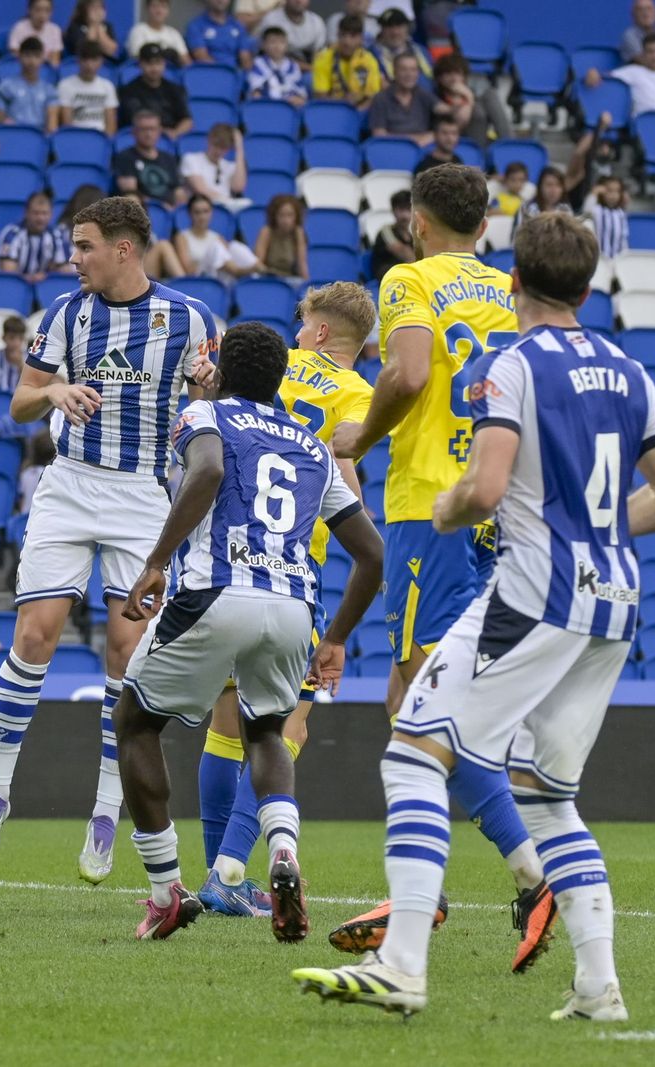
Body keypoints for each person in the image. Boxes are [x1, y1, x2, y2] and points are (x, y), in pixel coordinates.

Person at [293, 212, 655, 1022]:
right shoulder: (629, 367)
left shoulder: (512, 364)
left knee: (414, 747)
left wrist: (447, 507)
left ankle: (402, 965)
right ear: (588, 288)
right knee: (549, 797)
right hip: (614, 601)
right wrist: (600, 528)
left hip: (534, 588)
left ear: (514, 283)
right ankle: (598, 990)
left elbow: (483, 487)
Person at [328, 164, 553, 969]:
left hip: (432, 506)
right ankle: (422, 881)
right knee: (412, 693)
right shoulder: (513, 291)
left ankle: (525, 874)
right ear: (485, 225)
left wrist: (364, 435)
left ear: (415, 222)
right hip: (501, 505)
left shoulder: (409, 279)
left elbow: (411, 372)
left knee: (424, 699)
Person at [0, 195, 219, 885]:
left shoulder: (191, 318)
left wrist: (209, 386)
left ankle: (106, 813)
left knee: (125, 650)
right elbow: (20, 400)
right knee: (34, 635)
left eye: (84, 246)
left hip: (140, 496)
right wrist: (53, 394)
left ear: (124, 249)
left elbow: (213, 403)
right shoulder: (66, 313)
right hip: (69, 485)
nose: (73, 258)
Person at [113, 320, 382, 940]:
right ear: (281, 378)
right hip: (292, 607)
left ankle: (165, 893)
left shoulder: (205, 415)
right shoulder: (315, 448)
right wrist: (336, 636)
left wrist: (156, 562)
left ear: (224, 371)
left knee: (135, 722)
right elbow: (371, 554)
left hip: (215, 590)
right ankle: (281, 849)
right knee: (266, 732)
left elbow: (206, 473)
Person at [194, 285, 376, 918]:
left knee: (222, 726)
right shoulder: (359, 399)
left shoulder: (270, 370)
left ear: (321, 333)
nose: (298, 334)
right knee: (283, 727)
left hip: (221, 561)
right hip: (296, 571)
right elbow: (344, 484)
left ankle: (220, 877)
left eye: (304, 325)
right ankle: (230, 871)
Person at [585, 32, 655, 119]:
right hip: (644, 124)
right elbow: (604, 77)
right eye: (650, 52)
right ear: (643, 54)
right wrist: (593, 73)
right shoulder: (633, 72)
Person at [432, 52, 510, 149]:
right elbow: (457, 126)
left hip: (481, 149)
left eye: (457, 73)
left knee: (490, 95)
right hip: (452, 151)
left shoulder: (481, 97)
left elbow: (503, 128)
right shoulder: (434, 99)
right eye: (448, 73)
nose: (453, 78)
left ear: (464, 76)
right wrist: (468, 98)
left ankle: (509, 149)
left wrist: (468, 95)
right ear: (439, 78)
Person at [173, 195, 258, 281]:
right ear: (190, 214)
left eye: (206, 212)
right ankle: (240, 271)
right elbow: (188, 269)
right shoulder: (182, 237)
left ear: (211, 213)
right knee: (216, 248)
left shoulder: (217, 237)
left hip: (220, 277)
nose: (202, 217)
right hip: (199, 277)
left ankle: (257, 270)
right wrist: (207, 260)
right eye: (197, 212)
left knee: (235, 246)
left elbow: (227, 259)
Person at [114, 109, 187, 208]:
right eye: (144, 129)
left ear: (160, 131)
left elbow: (178, 191)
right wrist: (160, 207)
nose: (148, 134)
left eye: (152, 129)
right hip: (143, 211)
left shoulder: (169, 158)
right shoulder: (125, 157)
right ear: (134, 132)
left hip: (169, 211)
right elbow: (130, 193)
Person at [118, 43, 192, 138]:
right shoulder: (129, 91)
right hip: (140, 138)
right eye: (149, 63)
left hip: (169, 139)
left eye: (158, 62)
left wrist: (175, 133)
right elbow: (135, 120)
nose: (154, 68)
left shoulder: (175, 89)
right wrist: (157, 132)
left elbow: (187, 120)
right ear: (140, 64)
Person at [367, 52, 440, 146]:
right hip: (393, 150)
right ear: (394, 72)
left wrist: (464, 94)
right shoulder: (381, 98)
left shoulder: (423, 95)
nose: (409, 74)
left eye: (413, 70)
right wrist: (415, 140)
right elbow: (379, 136)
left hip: (423, 151)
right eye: (403, 69)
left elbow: (449, 114)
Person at [0, 192, 71, 281]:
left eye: (44, 213)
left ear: (51, 214)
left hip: (43, 288)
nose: (40, 218)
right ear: (26, 213)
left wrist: (46, 276)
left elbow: (65, 271)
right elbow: (8, 273)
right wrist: (32, 279)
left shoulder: (57, 235)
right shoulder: (12, 234)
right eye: (36, 213)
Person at [311, 14, 380, 111]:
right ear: (337, 35)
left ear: (361, 38)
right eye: (343, 35)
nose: (347, 42)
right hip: (332, 109)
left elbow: (373, 97)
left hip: (361, 111)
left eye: (353, 36)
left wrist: (355, 112)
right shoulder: (323, 58)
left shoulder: (369, 60)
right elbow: (321, 97)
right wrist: (343, 104)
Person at [181, 123, 250, 212]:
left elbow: (238, 187)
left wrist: (239, 148)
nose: (218, 151)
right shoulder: (191, 159)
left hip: (226, 209)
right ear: (209, 140)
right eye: (216, 145)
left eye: (224, 148)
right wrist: (226, 201)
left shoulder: (229, 166)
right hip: (202, 209)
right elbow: (201, 190)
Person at [53, 39, 118, 134]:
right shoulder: (65, 85)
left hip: (100, 139)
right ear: (78, 60)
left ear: (101, 62)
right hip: (75, 137)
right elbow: (67, 124)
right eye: (85, 60)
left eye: (94, 60)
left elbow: (111, 125)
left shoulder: (108, 86)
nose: (89, 65)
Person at [0, 35, 55, 131]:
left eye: (36, 56)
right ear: (19, 56)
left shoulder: (49, 90)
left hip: (39, 139)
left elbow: (52, 125)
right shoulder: (5, 87)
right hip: (13, 135)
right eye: (27, 55)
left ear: (42, 59)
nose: (32, 61)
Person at [253, 193, 308, 285]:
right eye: (281, 215)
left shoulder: (298, 233)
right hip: (268, 278)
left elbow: (302, 265)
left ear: (296, 217)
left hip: (290, 279)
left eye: (290, 215)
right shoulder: (266, 232)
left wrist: (308, 286)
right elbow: (258, 264)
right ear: (274, 216)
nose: (286, 220)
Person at [248, 25, 308, 105]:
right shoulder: (258, 63)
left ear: (287, 45)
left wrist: (298, 98)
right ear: (263, 45)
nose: (277, 46)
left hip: (290, 107)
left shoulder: (293, 66)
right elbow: (256, 92)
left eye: (282, 42)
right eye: (273, 42)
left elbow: (301, 92)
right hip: (267, 105)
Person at [185, 0, 250, 67]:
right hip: (209, 72)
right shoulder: (195, 25)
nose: (221, 1)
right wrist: (222, 73)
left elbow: (245, 58)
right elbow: (202, 57)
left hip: (234, 74)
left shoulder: (237, 26)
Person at [369, 188, 415, 282]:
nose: (405, 215)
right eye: (401, 209)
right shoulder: (385, 232)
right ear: (393, 210)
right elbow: (407, 255)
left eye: (408, 209)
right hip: (387, 277)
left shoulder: (412, 235)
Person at [263, 0, 325, 68]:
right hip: (278, 68)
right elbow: (266, 54)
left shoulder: (316, 21)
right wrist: (309, 68)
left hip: (310, 69)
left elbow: (320, 54)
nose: (299, 1)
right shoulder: (271, 20)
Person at [124, 0, 185, 68]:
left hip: (170, 75)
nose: (159, 11)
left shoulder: (174, 33)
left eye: (163, 7)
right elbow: (136, 58)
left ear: (168, 11)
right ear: (147, 8)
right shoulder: (138, 31)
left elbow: (186, 61)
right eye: (155, 6)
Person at [371, 7, 428, 80]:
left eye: (399, 26)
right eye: (389, 27)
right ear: (381, 30)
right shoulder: (372, 54)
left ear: (407, 28)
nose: (395, 32)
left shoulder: (421, 50)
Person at [64, 0, 119, 64]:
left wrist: (99, 28)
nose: (98, 11)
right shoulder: (75, 27)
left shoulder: (108, 26)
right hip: (81, 65)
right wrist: (93, 25)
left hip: (105, 66)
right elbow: (87, 51)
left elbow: (112, 51)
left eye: (100, 7)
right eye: (93, 8)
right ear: (84, 10)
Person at [588, 175, 630, 259]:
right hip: (600, 259)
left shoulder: (621, 213)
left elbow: (623, 238)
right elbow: (587, 211)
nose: (613, 195)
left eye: (617, 191)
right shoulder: (597, 210)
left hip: (617, 258)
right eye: (609, 191)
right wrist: (594, 193)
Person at [7, 0, 60, 65]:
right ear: (29, 10)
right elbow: (15, 56)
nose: (42, 15)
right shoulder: (19, 28)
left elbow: (55, 61)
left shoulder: (55, 30)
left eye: (47, 11)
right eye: (38, 10)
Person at [0, 315, 28, 392]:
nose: (16, 343)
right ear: (3, 337)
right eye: (12, 338)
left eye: (20, 338)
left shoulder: (29, 358)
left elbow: (31, 387)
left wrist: (20, 365)